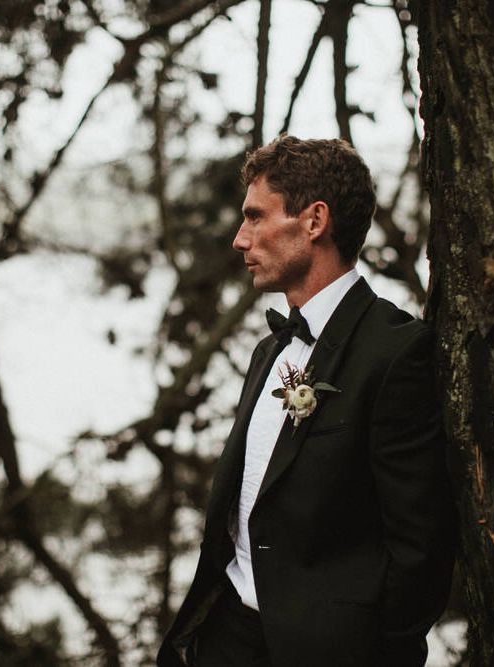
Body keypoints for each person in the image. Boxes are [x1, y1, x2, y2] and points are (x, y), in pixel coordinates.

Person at [158, 135, 454, 667]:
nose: (239, 240)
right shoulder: (268, 350)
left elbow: (422, 549)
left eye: (255, 217)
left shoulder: (395, 351)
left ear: (314, 221)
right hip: (224, 637)